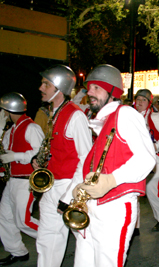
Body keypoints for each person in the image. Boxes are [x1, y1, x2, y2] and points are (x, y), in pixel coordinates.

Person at [71, 64, 156, 267]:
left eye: (97, 88)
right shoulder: (103, 122)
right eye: (89, 87)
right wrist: (75, 189)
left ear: (112, 92)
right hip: (93, 206)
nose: (89, 92)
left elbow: (147, 159)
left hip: (116, 207)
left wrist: (111, 179)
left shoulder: (125, 114)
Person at [32, 64, 92, 267]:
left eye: (46, 84)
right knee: (46, 239)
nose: (41, 87)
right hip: (52, 185)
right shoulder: (54, 112)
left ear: (59, 88)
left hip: (67, 186)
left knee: (87, 241)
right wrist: (39, 161)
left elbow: (86, 158)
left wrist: (68, 196)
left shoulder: (75, 116)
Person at [0, 93, 44, 266]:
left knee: (23, 220)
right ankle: (17, 251)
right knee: (5, 217)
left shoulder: (31, 128)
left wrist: (15, 156)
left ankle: (52, 236)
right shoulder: (10, 130)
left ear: (9, 110)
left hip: (26, 180)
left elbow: (40, 153)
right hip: (13, 180)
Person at [134, 89, 159, 231]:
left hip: (156, 159)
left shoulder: (155, 117)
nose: (140, 102)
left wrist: (156, 146)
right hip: (137, 159)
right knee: (134, 192)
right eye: (138, 99)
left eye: (143, 100)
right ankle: (135, 226)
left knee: (151, 189)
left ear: (149, 103)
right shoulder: (133, 116)